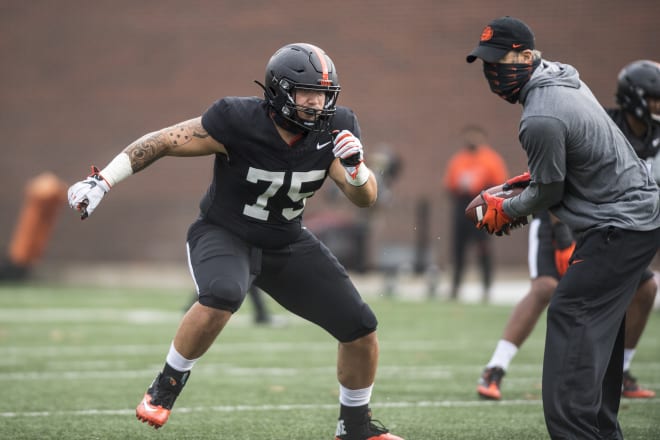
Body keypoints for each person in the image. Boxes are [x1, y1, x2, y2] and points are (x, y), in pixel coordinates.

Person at [67, 42, 403, 440]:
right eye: (307, 93)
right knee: (223, 294)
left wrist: (358, 169)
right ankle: (166, 385)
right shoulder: (237, 119)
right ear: (279, 92)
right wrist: (103, 180)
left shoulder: (336, 127)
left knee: (360, 327)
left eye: (324, 95)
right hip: (224, 232)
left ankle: (356, 428)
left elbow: (364, 199)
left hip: (286, 241)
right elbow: (164, 141)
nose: (318, 104)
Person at [466, 17, 660, 439]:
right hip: (635, 221)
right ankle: (603, 432)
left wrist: (510, 209)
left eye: (501, 60)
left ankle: (577, 433)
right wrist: (523, 184)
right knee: (597, 326)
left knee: (573, 314)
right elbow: (568, 163)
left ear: (526, 55)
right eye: (486, 63)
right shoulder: (562, 77)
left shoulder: (540, 115)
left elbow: (549, 192)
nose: (493, 71)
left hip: (618, 225)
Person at [442, 125, 508, 301]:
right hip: (462, 205)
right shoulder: (458, 159)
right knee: (458, 249)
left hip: (482, 206)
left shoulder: (491, 159)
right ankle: (455, 287)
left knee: (483, 248)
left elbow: (500, 185)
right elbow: (449, 185)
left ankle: (486, 288)